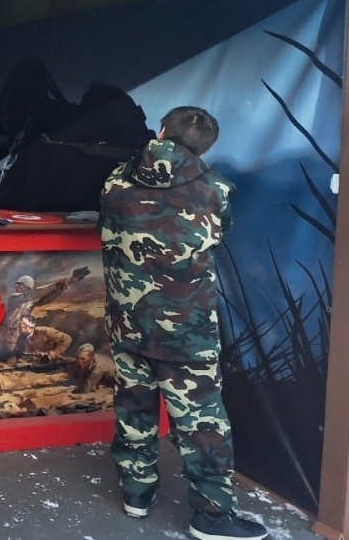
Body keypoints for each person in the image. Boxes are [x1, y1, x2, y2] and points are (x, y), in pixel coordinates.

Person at [99, 106, 267, 540]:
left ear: (160, 131)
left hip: (127, 321)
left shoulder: (115, 181)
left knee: (134, 405)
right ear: (204, 148)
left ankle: (136, 494)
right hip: (185, 330)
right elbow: (217, 233)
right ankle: (212, 516)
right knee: (202, 421)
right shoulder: (216, 189)